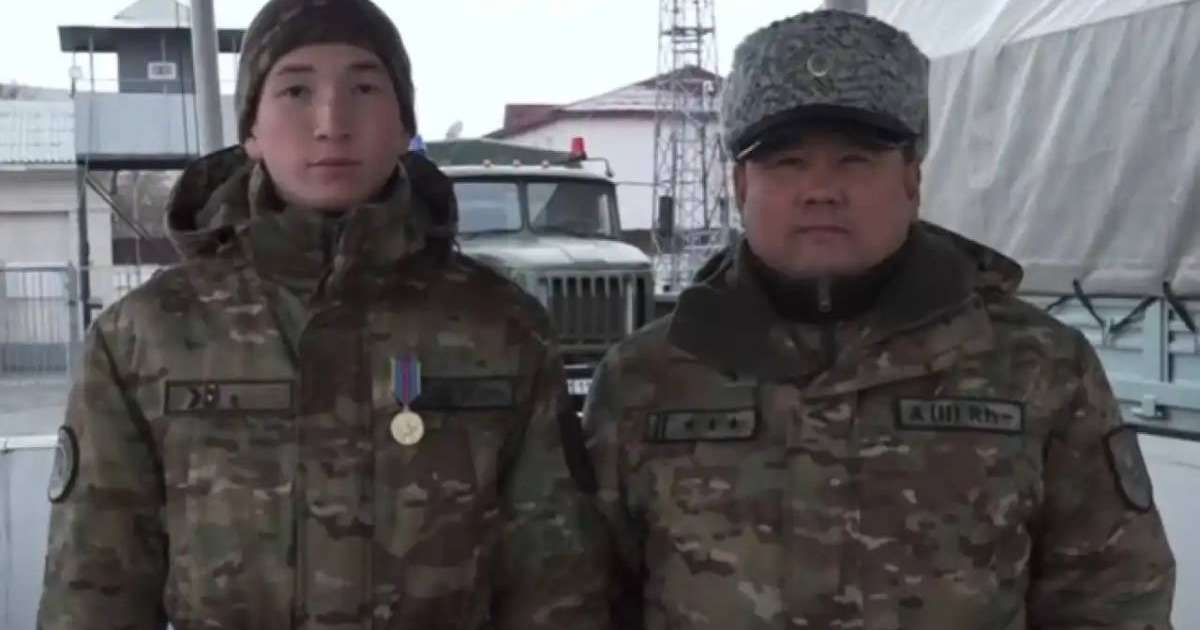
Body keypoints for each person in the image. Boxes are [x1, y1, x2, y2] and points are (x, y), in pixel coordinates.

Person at [583, 9, 1176, 629]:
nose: (820, 190)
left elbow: (1115, 599)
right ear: (739, 185)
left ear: (912, 178)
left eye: (856, 159)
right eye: (787, 162)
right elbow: (580, 599)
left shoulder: (1038, 368)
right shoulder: (646, 381)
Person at [37, 1, 607, 628]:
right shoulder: (145, 336)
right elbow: (93, 592)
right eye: (296, 90)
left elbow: (558, 585)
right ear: (251, 130)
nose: (332, 123)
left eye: (364, 88)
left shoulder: (502, 329)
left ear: (404, 124)